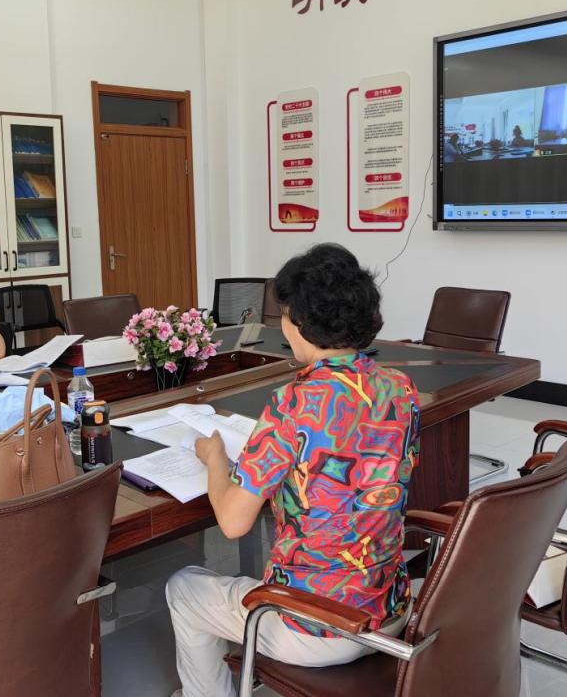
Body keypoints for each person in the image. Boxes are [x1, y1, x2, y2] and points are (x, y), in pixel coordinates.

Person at [166, 243, 421, 697]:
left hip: (318, 626)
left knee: (184, 588)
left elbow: (233, 522)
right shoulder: (399, 388)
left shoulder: (294, 403)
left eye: (284, 314)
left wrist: (216, 458)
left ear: (299, 322)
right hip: (391, 611)